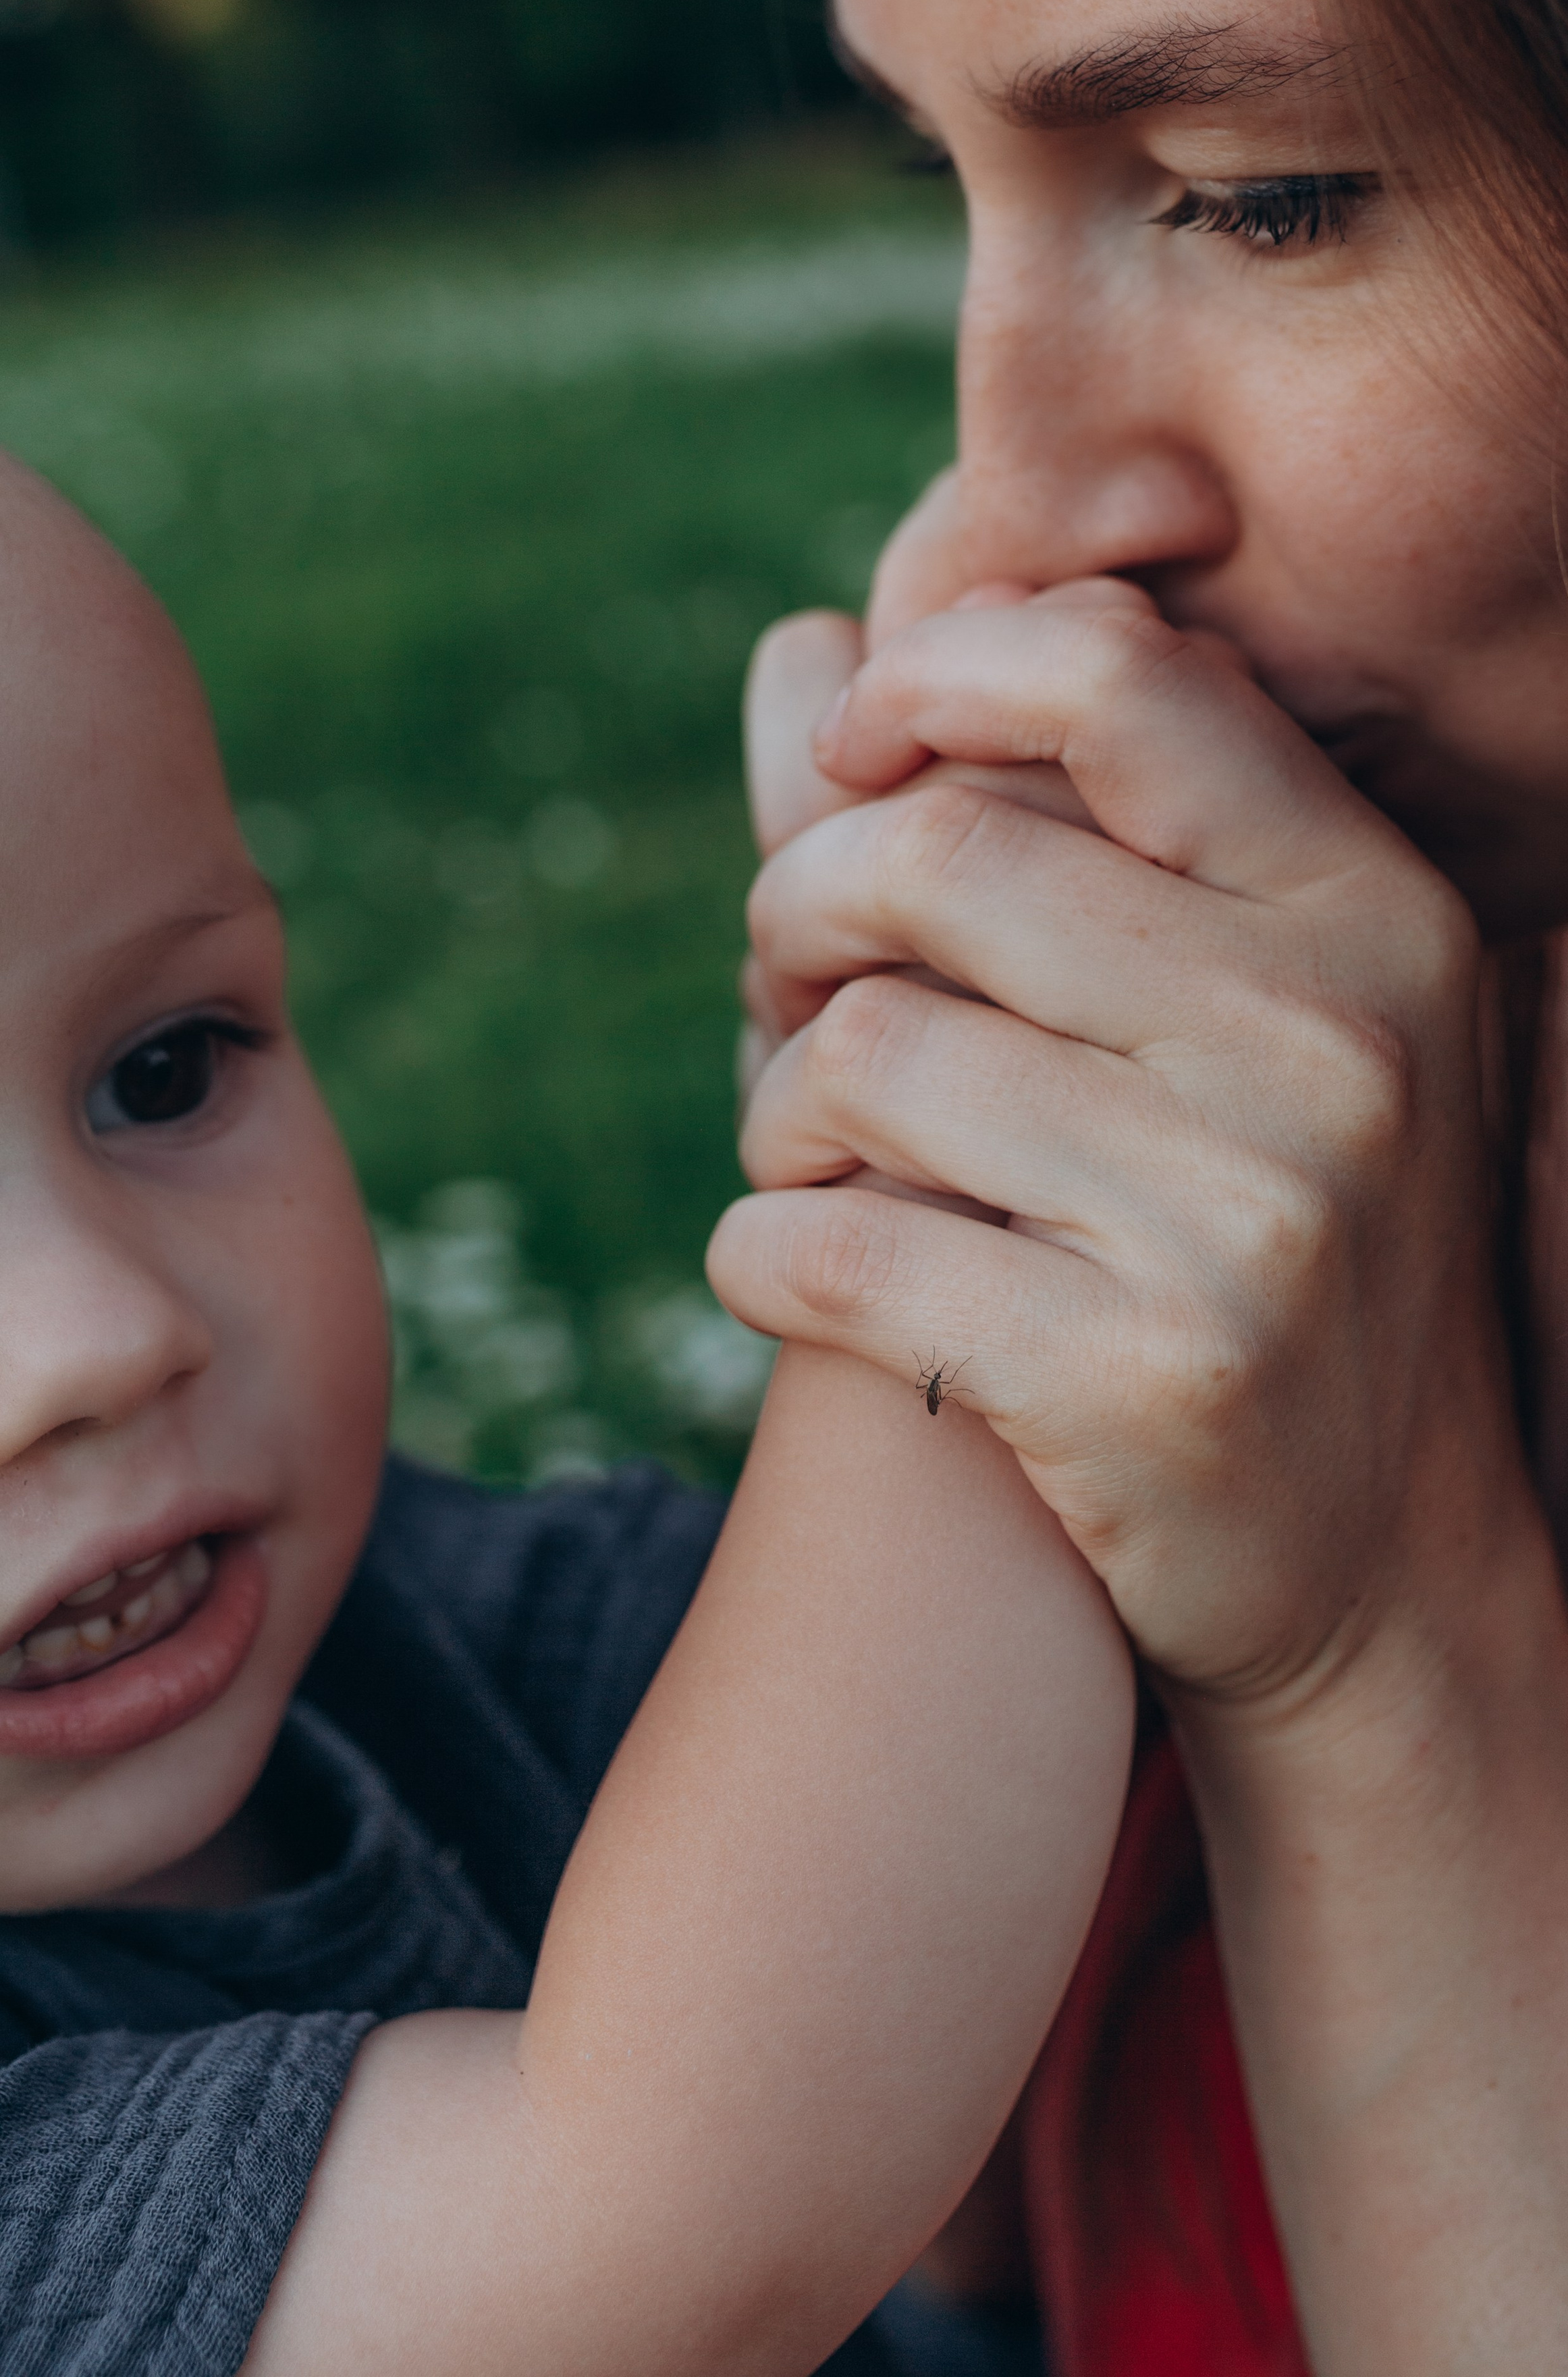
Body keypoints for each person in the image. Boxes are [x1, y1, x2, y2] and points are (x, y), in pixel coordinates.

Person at [709, 0, 1568, 2366]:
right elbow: (960, 2264)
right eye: (938, 165)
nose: (1006, 526)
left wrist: (1381, 1625)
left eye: (1257, 193)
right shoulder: (1431, 960)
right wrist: (950, 1418)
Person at [0, 447, 1136, 2377]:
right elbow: (676, 2218)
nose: (93, 1338)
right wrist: (942, 1129)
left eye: (163, 1069)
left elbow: (885, 1735)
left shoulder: (398, 1619)